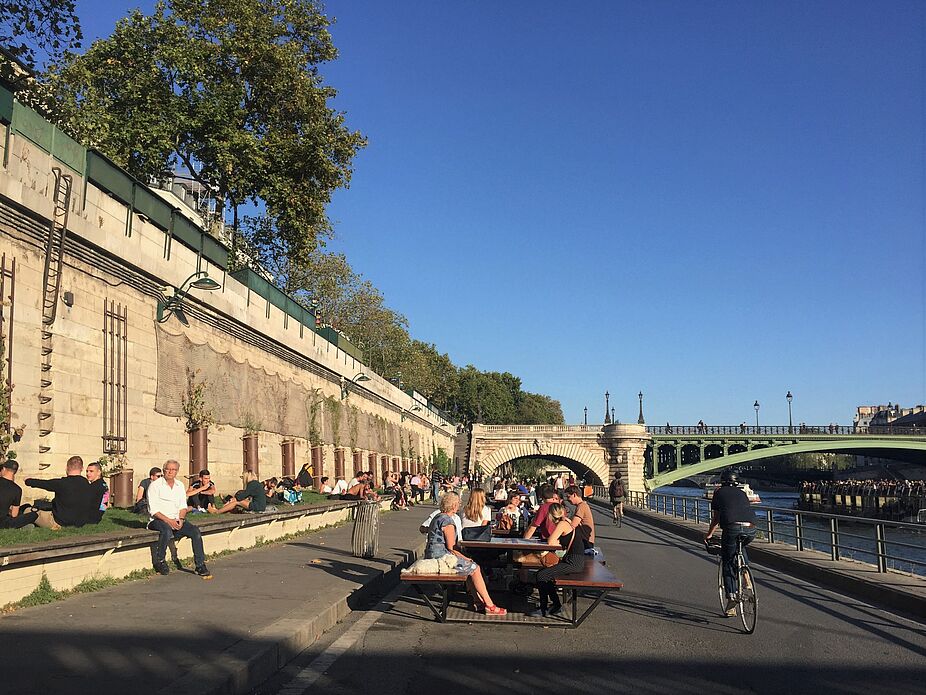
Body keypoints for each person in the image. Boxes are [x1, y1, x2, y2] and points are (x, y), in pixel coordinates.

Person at [425, 492, 506, 616]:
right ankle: (490, 605)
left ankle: (478, 601)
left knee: (469, 569)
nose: (459, 505)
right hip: (441, 558)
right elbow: (452, 548)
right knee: (475, 568)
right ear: (454, 505)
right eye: (458, 503)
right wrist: (466, 558)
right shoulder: (448, 522)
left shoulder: (438, 517)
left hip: (433, 555)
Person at [147, 459, 212, 578]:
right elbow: (153, 510)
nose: (170, 472)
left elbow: (183, 506)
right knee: (166, 530)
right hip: (158, 520)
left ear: (177, 471)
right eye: (168, 469)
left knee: (195, 532)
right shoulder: (155, 486)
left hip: (176, 519)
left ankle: (200, 565)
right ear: (164, 470)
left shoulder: (180, 485)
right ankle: (160, 561)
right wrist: (169, 521)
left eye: (173, 469)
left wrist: (181, 519)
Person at [704, 469, 756, 616]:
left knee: (727, 561)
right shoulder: (742, 493)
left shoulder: (718, 493)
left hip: (731, 528)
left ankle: (732, 600)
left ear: (722, 481)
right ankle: (746, 576)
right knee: (741, 545)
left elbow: (716, 519)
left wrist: (709, 535)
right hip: (751, 527)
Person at [528, 502, 585, 617]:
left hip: (573, 562)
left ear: (550, 516)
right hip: (575, 560)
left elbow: (550, 542)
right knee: (544, 574)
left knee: (541, 575)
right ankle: (556, 605)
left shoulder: (562, 524)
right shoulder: (567, 522)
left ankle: (544, 609)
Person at [26, 456, 102, 529]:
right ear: (82, 468)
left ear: (66, 468)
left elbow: (43, 483)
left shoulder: (61, 483)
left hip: (60, 522)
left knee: (28, 510)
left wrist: (27, 481)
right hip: (80, 522)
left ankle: (26, 524)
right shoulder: (87, 483)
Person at [0, 460, 38, 529]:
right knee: (33, 515)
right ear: (15, 472)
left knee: (25, 506)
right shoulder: (17, 489)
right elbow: (14, 514)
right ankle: (23, 526)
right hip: (3, 522)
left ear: (4, 469)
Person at [564, 485, 596, 553]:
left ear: (574, 495)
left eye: (568, 497)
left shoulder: (581, 507)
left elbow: (573, 525)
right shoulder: (583, 505)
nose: (567, 499)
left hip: (585, 541)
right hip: (587, 540)